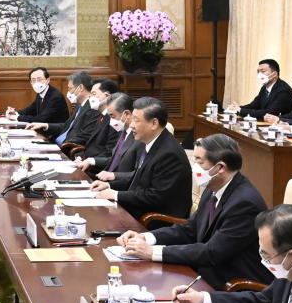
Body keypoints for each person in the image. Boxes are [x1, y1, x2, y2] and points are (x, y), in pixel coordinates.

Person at [116, 134, 271, 289]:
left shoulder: (244, 203)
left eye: (199, 161)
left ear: (220, 168)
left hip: (230, 285)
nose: (194, 166)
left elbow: (212, 253)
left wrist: (152, 252)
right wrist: (146, 237)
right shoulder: (214, 188)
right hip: (203, 273)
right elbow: (190, 229)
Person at [91, 96, 191, 223]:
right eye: (132, 119)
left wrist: (116, 194)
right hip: (139, 210)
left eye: (136, 121)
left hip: (155, 221)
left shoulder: (169, 154)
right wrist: (109, 185)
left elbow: (154, 196)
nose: (131, 125)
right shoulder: (150, 143)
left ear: (154, 123)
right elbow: (139, 179)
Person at [76, 92, 142, 177]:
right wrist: (91, 161)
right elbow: (115, 160)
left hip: (117, 185)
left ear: (126, 114)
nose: (110, 121)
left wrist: (112, 177)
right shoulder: (123, 132)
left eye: (112, 116)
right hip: (104, 179)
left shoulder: (139, 138)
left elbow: (136, 174)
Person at [26, 71, 98, 146]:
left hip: (66, 148)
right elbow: (67, 126)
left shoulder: (92, 108)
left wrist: (59, 146)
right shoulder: (79, 105)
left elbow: (84, 136)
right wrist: (45, 125)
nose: (68, 92)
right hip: (57, 143)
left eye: (70, 88)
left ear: (80, 88)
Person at [226, 59, 292, 120]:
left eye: (263, 71)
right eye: (258, 72)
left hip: (285, 126)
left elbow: (270, 113)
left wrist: (240, 110)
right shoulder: (265, 87)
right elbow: (254, 105)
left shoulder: (283, 90)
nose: (259, 75)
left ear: (274, 74)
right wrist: (237, 108)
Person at [72, 78, 120, 160]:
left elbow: (109, 152)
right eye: (90, 94)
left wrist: (89, 161)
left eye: (94, 94)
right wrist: (79, 157)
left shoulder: (114, 120)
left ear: (107, 96)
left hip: (96, 166)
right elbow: (89, 144)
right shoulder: (100, 115)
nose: (90, 98)